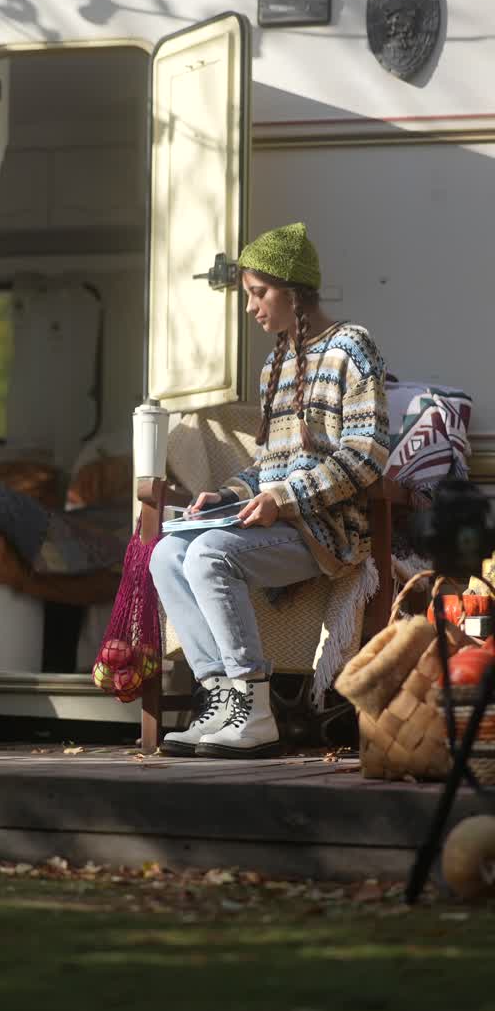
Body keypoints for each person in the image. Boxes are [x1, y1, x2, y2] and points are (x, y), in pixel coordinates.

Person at [149, 222, 390, 759]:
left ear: (295, 291)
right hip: (276, 526)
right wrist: (229, 495)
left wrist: (285, 499)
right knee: (166, 553)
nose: (251, 307)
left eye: (259, 293)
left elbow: (368, 454)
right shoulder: (275, 365)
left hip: (328, 531)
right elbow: (267, 465)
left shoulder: (353, 347)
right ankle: (220, 699)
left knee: (210, 554)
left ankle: (254, 710)